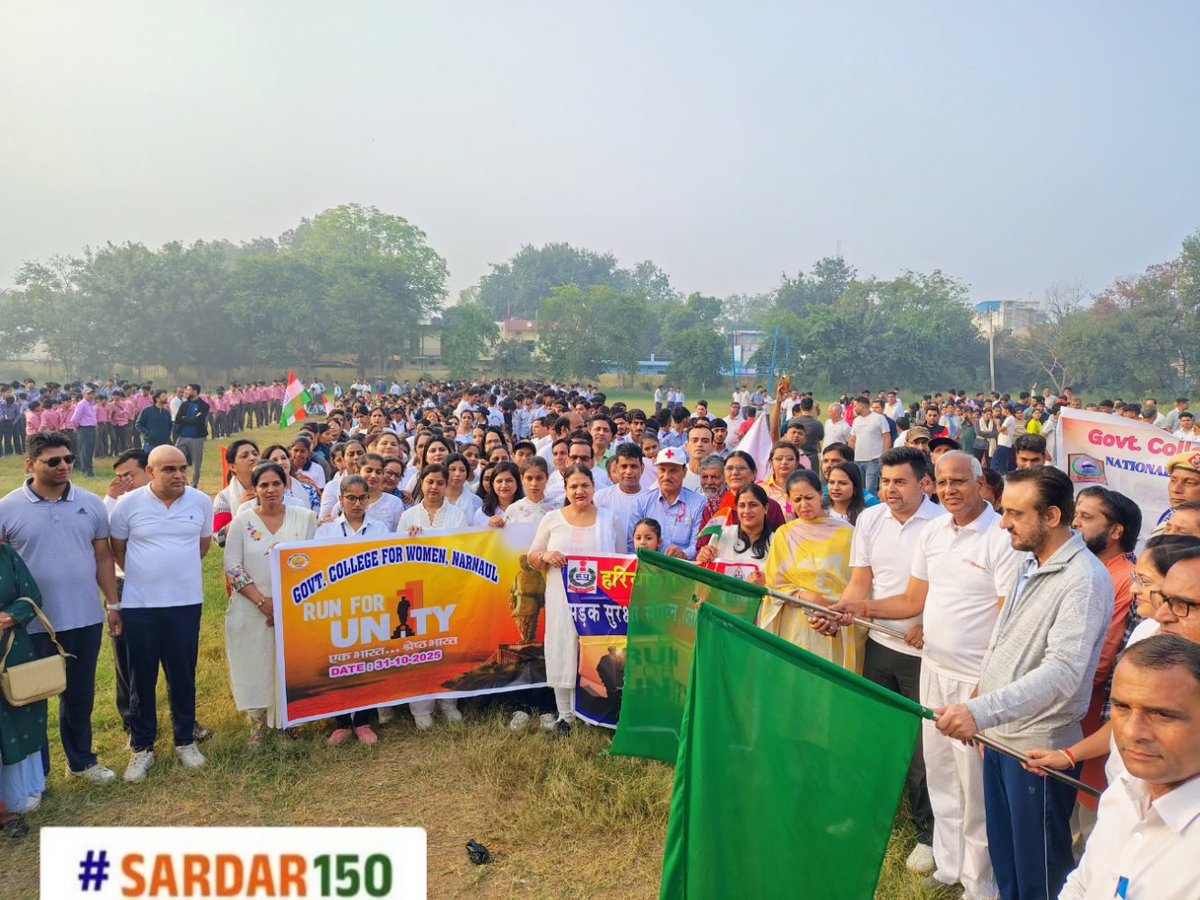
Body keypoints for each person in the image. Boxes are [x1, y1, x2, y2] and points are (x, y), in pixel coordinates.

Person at [832, 450, 1021, 899]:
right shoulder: (935, 533)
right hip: (933, 669)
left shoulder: (1000, 536)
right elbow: (912, 601)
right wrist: (855, 608)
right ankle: (950, 865)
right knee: (939, 773)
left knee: (974, 787)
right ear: (934, 484)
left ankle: (981, 882)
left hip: (975, 679)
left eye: (960, 480)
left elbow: (1007, 619)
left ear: (981, 483)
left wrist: (986, 684)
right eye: (945, 481)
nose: (952, 489)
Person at [933, 466, 1113, 900]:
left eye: (1015, 513)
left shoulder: (1083, 580)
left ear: (1052, 516)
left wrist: (980, 711)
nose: (1004, 522)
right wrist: (982, 700)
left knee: (1040, 873)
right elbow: (1005, 634)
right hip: (1000, 739)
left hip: (1037, 750)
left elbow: (1063, 673)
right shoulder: (1030, 562)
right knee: (1007, 858)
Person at [824, 447, 947, 873]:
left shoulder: (941, 525)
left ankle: (930, 835)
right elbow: (861, 582)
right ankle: (867, 817)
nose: (889, 491)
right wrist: (840, 612)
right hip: (879, 645)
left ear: (923, 484)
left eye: (900, 482)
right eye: (884, 482)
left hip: (922, 653)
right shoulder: (870, 519)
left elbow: (943, 593)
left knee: (921, 751)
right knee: (873, 735)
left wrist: (929, 623)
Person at [0, 432, 120, 784]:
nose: (64, 465)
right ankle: (38, 773)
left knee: (79, 695)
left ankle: (82, 761)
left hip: (83, 617)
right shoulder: (7, 508)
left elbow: (102, 555)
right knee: (30, 697)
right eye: (53, 461)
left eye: (69, 459)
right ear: (31, 465)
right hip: (29, 624)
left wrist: (112, 603)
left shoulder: (91, 504)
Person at [1059, 635, 1200, 899]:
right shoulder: (1121, 792)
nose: (1132, 731)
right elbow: (1083, 883)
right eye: (1122, 707)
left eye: (1162, 714)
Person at [109, 446, 214, 783]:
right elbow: (119, 551)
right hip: (141, 605)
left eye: (183, 468)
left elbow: (202, 546)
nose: (178, 475)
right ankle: (142, 747)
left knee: (183, 673)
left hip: (185, 603)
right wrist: (149, 576)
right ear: (151, 472)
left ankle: (185, 740)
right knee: (141, 678)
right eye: (169, 469)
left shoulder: (200, 502)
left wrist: (175, 574)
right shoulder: (128, 505)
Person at [223, 462, 317, 744]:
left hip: (295, 606)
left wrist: (287, 603)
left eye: (276, 483)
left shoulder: (305, 518)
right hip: (252, 607)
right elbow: (233, 566)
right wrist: (263, 602)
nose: (271, 490)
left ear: (285, 485)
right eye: (264, 485)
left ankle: (287, 723)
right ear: (254, 489)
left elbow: (315, 561)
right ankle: (258, 723)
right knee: (255, 661)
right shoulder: (242, 521)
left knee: (287, 663)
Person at [528, 464, 622, 733]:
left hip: (599, 602)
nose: (580, 491)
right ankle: (566, 716)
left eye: (585, 485)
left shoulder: (609, 518)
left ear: (594, 487)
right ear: (565, 490)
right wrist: (545, 556)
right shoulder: (552, 519)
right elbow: (533, 556)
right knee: (563, 648)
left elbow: (620, 559)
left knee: (595, 653)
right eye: (573, 486)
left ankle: (595, 714)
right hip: (562, 597)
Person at [761, 469, 861, 671]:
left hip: (835, 624)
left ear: (821, 495)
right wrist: (806, 596)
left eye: (809, 497)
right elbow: (773, 583)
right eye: (797, 500)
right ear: (789, 499)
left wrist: (833, 614)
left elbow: (858, 582)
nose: (803, 505)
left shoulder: (847, 533)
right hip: (795, 624)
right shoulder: (785, 534)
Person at [0, 543, 49, 834]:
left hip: (11, 651)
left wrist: (6, 618)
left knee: (18, 716)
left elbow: (31, 596)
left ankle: (14, 800)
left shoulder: (6, 555)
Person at [627, 448, 706, 559]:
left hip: (682, 570)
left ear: (684, 472)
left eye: (673, 471)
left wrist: (683, 554)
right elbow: (631, 545)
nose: (666, 476)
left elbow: (697, 545)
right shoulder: (642, 502)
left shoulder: (699, 504)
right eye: (662, 470)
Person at [695, 483, 773, 580]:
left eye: (753, 505)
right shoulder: (723, 534)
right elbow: (705, 574)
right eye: (742, 505)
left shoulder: (775, 542)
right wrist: (702, 558)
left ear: (765, 508)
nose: (747, 511)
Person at [594, 444, 649, 540]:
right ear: (616, 468)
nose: (628, 472)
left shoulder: (651, 499)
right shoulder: (600, 498)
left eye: (634, 466)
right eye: (624, 466)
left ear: (642, 468)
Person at [213, 440, 260, 543]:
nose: (252, 458)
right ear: (233, 467)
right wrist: (241, 511)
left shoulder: (273, 488)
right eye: (245, 456)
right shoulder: (224, 497)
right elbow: (219, 539)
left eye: (255, 454)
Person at [849, 395, 891, 493]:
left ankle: (872, 507)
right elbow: (852, 439)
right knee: (859, 489)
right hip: (858, 460)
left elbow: (887, 437)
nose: (853, 409)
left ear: (861, 406)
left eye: (855, 406)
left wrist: (884, 456)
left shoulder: (879, 418)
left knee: (870, 489)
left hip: (873, 460)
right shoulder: (856, 420)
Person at [172, 384, 210, 488]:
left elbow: (198, 421)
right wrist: (190, 419)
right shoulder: (184, 404)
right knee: (175, 459)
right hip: (182, 436)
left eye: (188, 390)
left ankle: (194, 484)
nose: (186, 392)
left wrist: (186, 419)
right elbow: (178, 418)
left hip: (196, 438)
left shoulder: (204, 406)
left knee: (196, 463)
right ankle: (183, 482)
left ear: (195, 391)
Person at [506, 457, 555, 525]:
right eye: (529, 478)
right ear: (522, 478)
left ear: (547, 478)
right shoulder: (513, 510)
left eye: (539, 478)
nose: (534, 484)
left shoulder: (558, 508)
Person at [474, 461, 523, 526]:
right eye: (499, 481)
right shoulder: (481, 513)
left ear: (518, 482)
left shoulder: (527, 509)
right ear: (492, 484)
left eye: (509, 480)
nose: (504, 485)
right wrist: (489, 528)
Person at [825, 460, 866, 525]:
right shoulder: (821, 513)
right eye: (831, 482)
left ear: (855, 486)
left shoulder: (865, 516)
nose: (835, 488)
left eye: (843, 483)